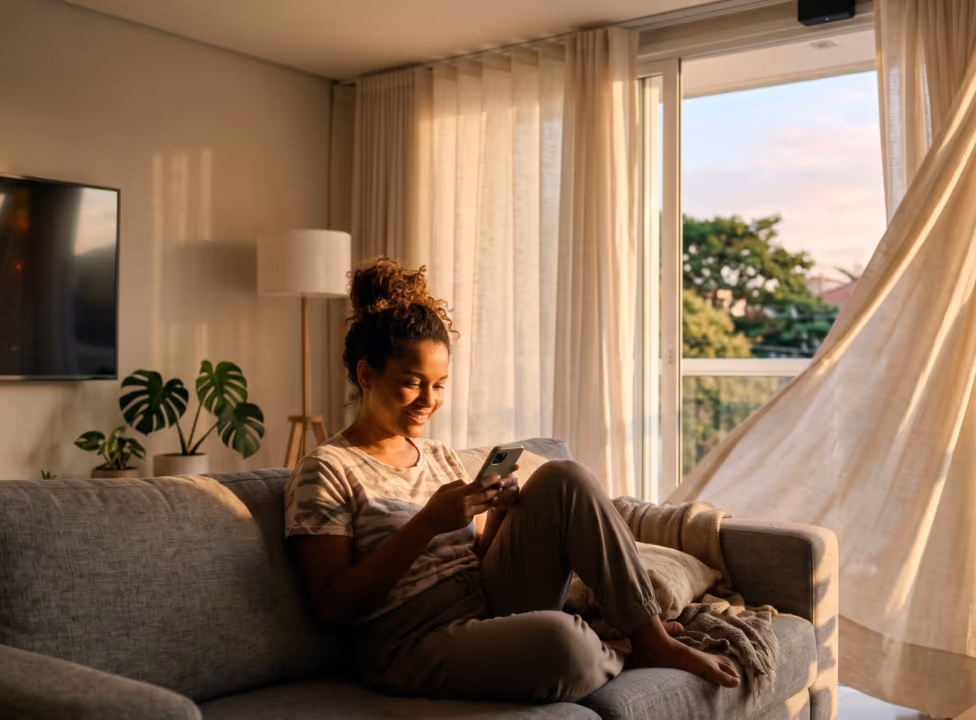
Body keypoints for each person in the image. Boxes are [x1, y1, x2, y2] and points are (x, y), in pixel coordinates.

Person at [283, 257, 739, 704]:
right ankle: (612, 650)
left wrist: (498, 510)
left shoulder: (438, 455)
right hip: (408, 639)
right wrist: (426, 524)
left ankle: (650, 635)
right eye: (412, 382)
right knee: (561, 641)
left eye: (439, 385)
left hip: (484, 599)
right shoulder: (325, 469)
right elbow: (332, 607)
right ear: (366, 375)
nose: (428, 399)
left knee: (564, 478)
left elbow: (480, 558)